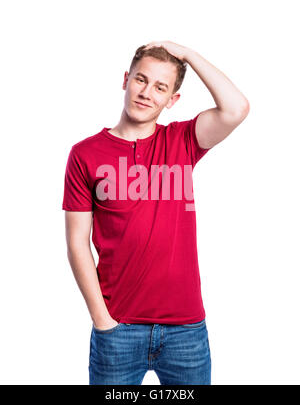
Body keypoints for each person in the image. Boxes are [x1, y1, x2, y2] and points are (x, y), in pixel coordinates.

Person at [62, 40, 250, 385]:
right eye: (141, 80)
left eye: (160, 87)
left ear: (171, 100)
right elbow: (77, 243)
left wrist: (189, 54)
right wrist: (102, 320)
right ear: (125, 80)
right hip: (118, 329)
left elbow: (236, 108)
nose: (147, 92)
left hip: (186, 332)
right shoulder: (84, 154)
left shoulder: (183, 141)